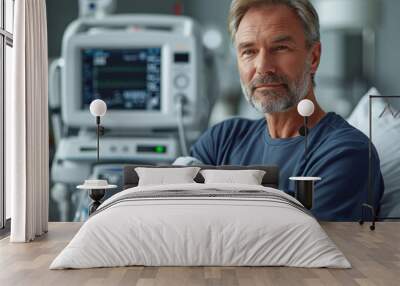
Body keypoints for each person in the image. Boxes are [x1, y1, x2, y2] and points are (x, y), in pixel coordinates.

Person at [189, 0, 384, 221]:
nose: (263, 66)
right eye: (249, 51)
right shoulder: (221, 140)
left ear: (314, 57)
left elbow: (299, 248)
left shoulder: (346, 154)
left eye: (280, 48)